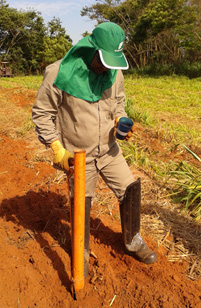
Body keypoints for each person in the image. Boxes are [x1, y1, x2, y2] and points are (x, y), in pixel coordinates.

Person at [32, 22, 157, 277]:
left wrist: (121, 121)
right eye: (103, 60)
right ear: (92, 48)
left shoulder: (115, 72)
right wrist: (56, 147)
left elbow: (119, 102)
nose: (108, 67)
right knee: (81, 204)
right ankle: (82, 252)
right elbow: (42, 114)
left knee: (130, 190)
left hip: (109, 149)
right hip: (79, 155)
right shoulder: (58, 72)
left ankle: (133, 241)